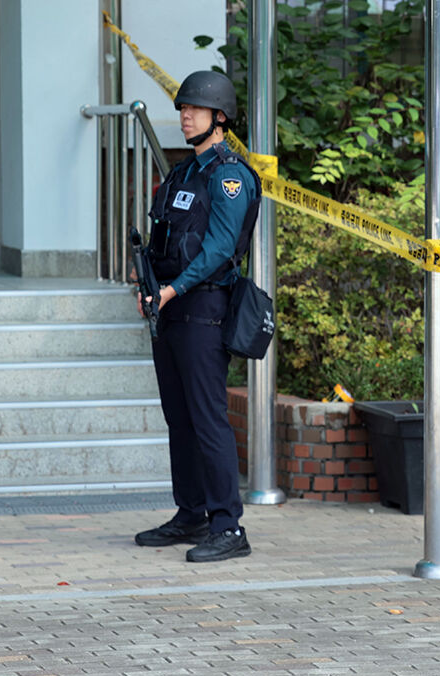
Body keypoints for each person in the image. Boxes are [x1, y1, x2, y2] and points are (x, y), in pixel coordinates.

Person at [133, 70, 260, 563]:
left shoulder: (230, 177)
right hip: (169, 308)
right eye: (183, 108)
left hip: (203, 308)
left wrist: (172, 289)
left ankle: (228, 527)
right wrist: (149, 289)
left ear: (220, 117)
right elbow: (166, 239)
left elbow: (219, 250)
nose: (184, 115)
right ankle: (191, 514)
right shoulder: (184, 172)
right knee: (179, 418)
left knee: (209, 421)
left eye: (194, 109)